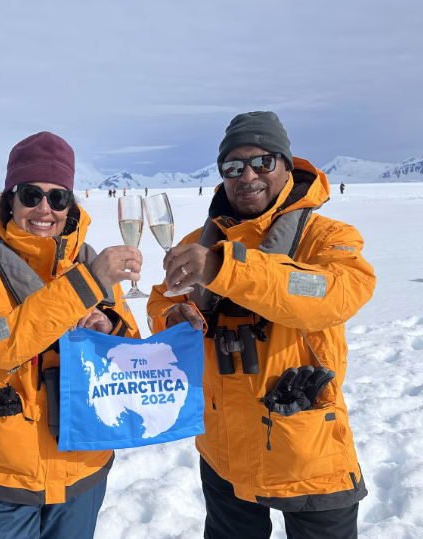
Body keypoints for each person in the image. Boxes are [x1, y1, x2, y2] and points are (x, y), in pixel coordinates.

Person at [147, 111, 375, 539]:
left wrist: (224, 267)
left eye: (262, 162)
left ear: (288, 165)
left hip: (304, 447)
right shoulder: (200, 238)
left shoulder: (325, 237)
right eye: (232, 167)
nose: (246, 174)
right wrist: (171, 316)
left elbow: (334, 293)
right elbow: (163, 297)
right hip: (222, 446)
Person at [0, 132, 141, 539]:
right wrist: (84, 287)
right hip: (5, 469)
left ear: (70, 205)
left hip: (84, 462)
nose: (44, 209)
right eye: (31, 194)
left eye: (58, 198)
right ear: (9, 198)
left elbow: (131, 350)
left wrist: (109, 328)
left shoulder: (90, 262)